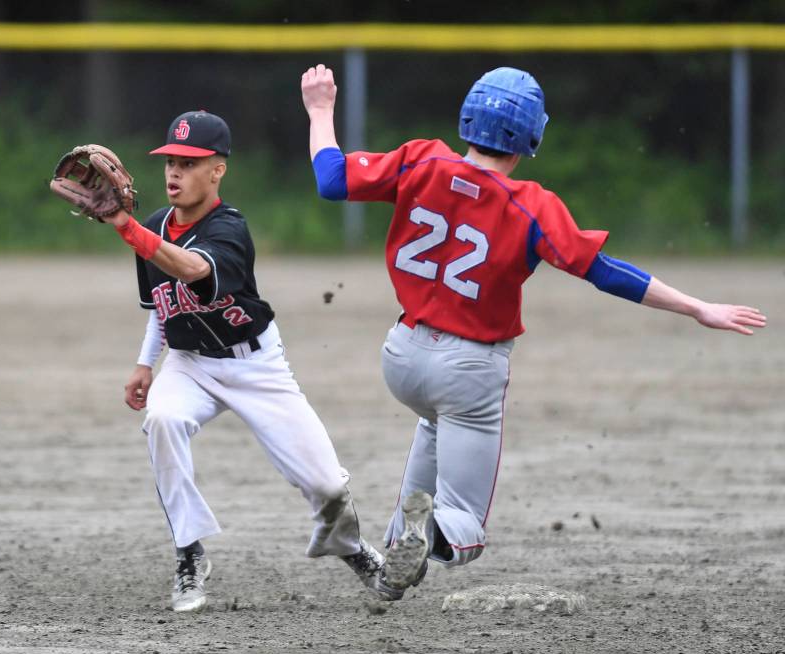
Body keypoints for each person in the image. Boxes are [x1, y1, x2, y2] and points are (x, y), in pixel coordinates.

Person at [300, 64, 767, 596]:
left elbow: (332, 180)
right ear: (531, 135)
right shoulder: (530, 205)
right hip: (469, 368)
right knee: (464, 527)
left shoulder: (421, 159)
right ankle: (430, 532)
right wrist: (697, 307)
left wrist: (320, 110)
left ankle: (396, 569)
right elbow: (605, 272)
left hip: (402, 356)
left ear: (468, 115)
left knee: (434, 423)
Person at [98, 110, 399, 612]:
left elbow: (192, 269)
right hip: (190, 363)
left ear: (217, 170)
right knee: (163, 419)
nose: (174, 172)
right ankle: (189, 553)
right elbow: (161, 306)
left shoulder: (229, 229)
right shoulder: (151, 228)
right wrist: (145, 364)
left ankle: (348, 547)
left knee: (326, 483)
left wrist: (129, 231)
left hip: (256, 366)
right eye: (170, 160)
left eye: (189, 163)